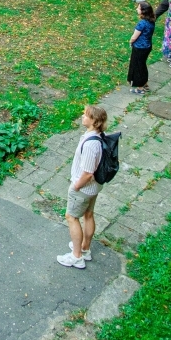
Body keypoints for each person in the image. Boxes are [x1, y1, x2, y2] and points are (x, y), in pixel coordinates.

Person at [57, 105, 107, 269]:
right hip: (94, 188)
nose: (82, 117)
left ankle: (76, 256)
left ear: (94, 121)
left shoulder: (91, 145)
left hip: (83, 189)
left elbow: (87, 173)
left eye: (86, 115)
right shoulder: (98, 136)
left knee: (71, 217)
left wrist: (76, 186)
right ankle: (85, 249)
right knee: (88, 215)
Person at [127, 1, 156, 94]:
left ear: (143, 11)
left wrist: (131, 41)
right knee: (142, 65)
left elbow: (134, 36)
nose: (137, 9)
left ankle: (140, 88)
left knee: (138, 66)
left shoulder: (142, 23)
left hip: (139, 47)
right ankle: (145, 84)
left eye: (138, 8)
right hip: (147, 46)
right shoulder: (151, 21)